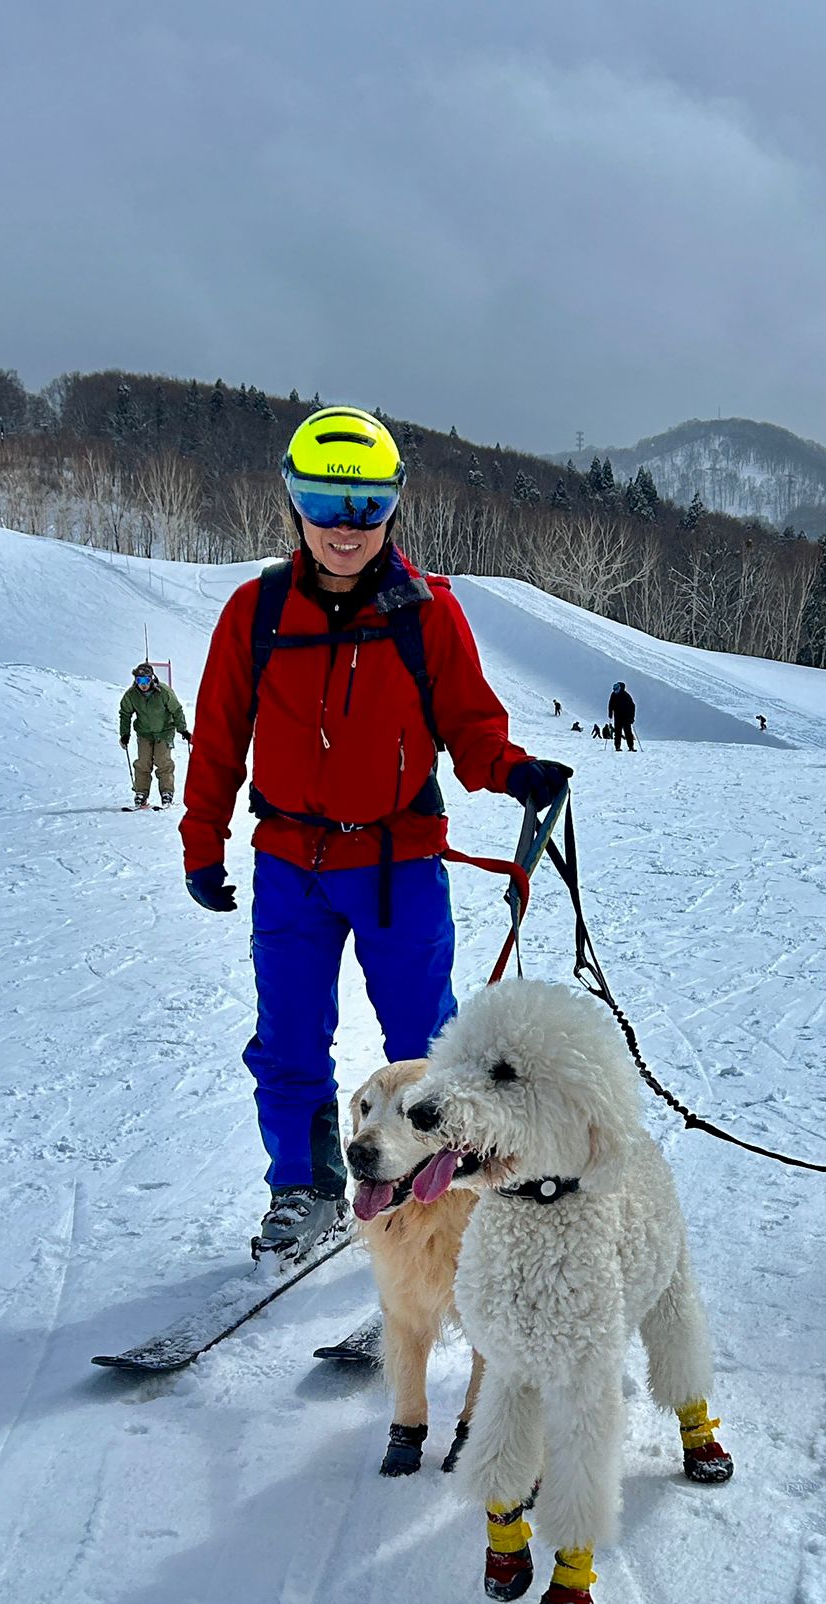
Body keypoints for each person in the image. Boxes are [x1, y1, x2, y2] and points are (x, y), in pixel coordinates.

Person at [180, 406, 571, 1261]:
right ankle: (305, 1188)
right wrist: (201, 843)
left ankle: (439, 1200)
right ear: (294, 503)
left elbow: (470, 727)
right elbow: (216, 738)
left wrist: (513, 771)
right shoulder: (258, 612)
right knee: (286, 1039)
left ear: (391, 507)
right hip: (291, 863)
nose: (344, 528)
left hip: (399, 866)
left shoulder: (424, 614)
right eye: (323, 502)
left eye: (364, 507)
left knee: (429, 1053)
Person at [119, 662, 190, 807]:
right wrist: (124, 734)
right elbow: (125, 714)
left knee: (163, 762)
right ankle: (141, 793)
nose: (142, 684)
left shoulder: (164, 692)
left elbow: (177, 710)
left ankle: (167, 792)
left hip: (164, 732)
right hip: (144, 733)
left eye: (145, 680)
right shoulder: (131, 695)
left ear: (151, 678)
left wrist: (182, 729)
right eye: (139, 680)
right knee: (143, 763)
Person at [609, 680, 637, 752]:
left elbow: (632, 707)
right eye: (614, 689)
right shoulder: (613, 695)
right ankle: (617, 747)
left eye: (616, 689)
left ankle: (631, 747)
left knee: (628, 732)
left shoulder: (626, 695)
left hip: (626, 717)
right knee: (618, 732)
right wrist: (610, 713)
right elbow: (610, 704)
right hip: (617, 716)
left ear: (620, 688)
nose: (615, 691)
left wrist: (632, 717)